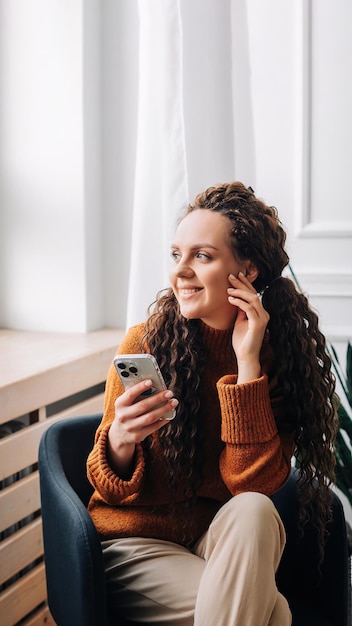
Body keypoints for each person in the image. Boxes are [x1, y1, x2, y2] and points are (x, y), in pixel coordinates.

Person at [87, 181, 337, 626]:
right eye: (176, 254)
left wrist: (247, 365)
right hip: (133, 545)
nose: (180, 270)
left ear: (249, 269)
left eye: (202, 256)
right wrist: (121, 440)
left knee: (257, 509)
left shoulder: (276, 360)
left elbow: (252, 486)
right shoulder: (145, 343)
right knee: (273, 612)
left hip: (214, 540)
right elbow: (108, 489)